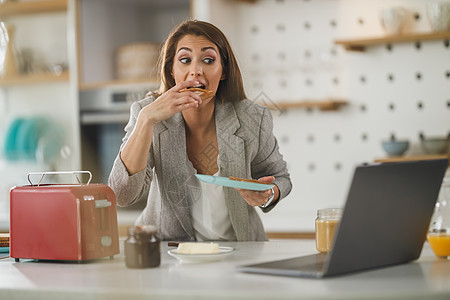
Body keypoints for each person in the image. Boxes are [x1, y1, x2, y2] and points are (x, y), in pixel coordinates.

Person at [108, 20, 292, 242]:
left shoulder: (252, 118)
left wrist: (269, 193)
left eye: (208, 60)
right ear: (172, 70)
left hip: (240, 251)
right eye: (185, 60)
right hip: (169, 252)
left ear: (223, 71)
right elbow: (121, 195)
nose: (195, 70)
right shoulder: (146, 114)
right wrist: (146, 120)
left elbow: (280, 178)